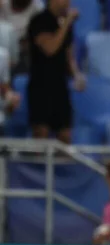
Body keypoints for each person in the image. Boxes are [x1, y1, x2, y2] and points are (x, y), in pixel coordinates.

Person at [26, 0, 85, 143]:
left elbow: (68, 56)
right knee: (42, 136)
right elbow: (50, 49)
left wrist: (76, 75)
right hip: (40, 87)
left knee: (65, 137)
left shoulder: (66, 25)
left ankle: (64, 166)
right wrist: (67, 22)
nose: (68, 3)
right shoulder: (39, 21)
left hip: (60, 87)